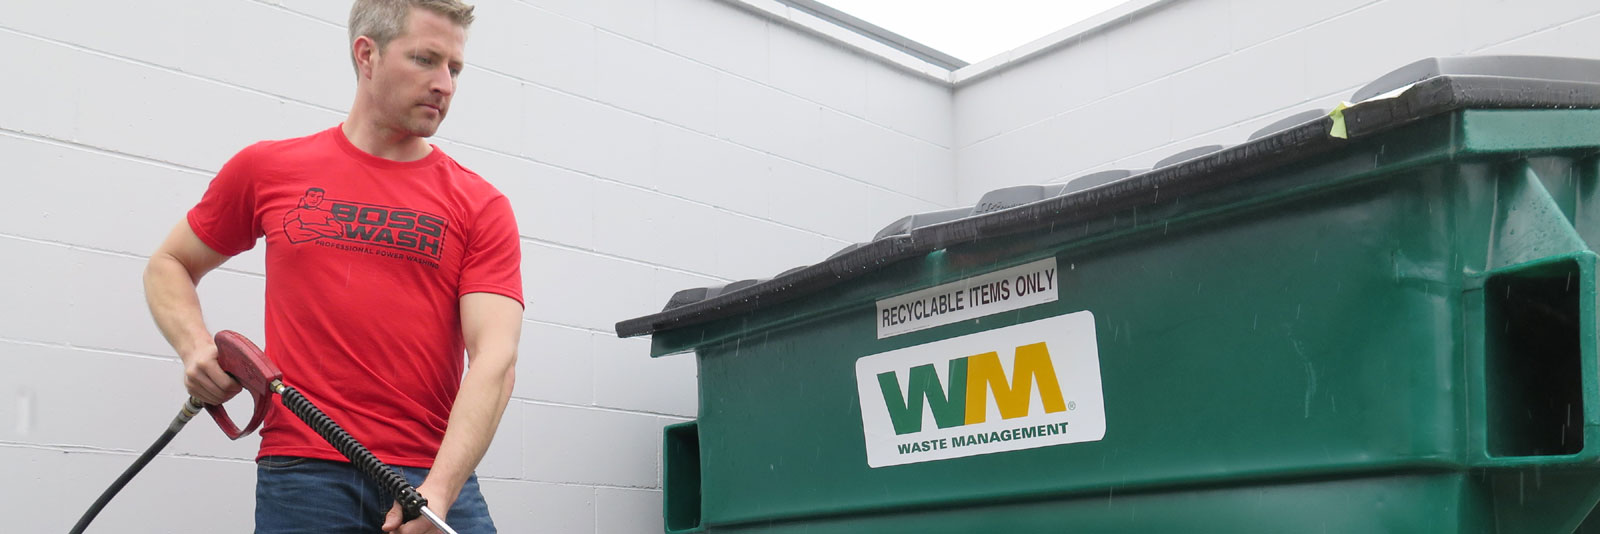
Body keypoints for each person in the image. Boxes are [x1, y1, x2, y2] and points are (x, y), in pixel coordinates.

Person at [142, 0, 520, 532]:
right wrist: (194, 346)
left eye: (454, 68)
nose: (445, 84)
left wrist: (438, 493)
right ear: (366, 55)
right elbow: (170, 262)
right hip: (305, 475)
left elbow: (495, 358)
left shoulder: (479, 204)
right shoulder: (269, 168)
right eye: (425, 60)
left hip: (431, 475)